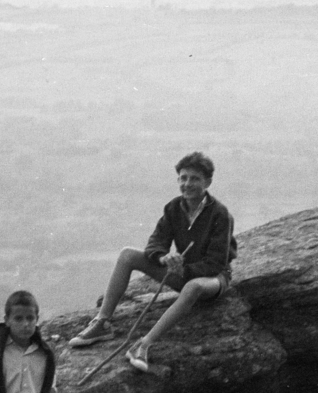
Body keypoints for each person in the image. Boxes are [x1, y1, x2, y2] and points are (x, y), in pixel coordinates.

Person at [68, 151, 236, 372]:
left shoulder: (220, 214)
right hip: (181, 271)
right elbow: (156, 242)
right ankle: (102, 322)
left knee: (193, 286)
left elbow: (215, 263)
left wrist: (184, 269)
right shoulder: (174, 208)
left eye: (195, 178)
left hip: (212, 280)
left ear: (208, 182)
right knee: (127, 255)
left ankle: (144, 343)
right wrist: (162, 257)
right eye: (183, 178)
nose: (187, 184)